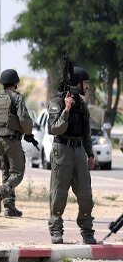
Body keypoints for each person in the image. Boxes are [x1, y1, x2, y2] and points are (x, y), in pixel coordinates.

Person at [47, 67, 97, 245]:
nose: (87, 87)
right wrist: (66, 110)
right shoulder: (57, 102)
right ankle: (56, 230)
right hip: (62, 150)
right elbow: (54, 128)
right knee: (59, 194)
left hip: (79, 152)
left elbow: (86, 133)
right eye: (85, 83)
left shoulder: (82, 105)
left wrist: (90, 154)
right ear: (77, 83)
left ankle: (87, 230)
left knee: (86, 195)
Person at [0, 69, 34, 217]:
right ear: (15, 83)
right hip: (13, 140)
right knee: (17, 173)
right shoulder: (16, 98)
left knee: (6, 173)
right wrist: (29, 133)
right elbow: (24, 119)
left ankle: (9, 207)